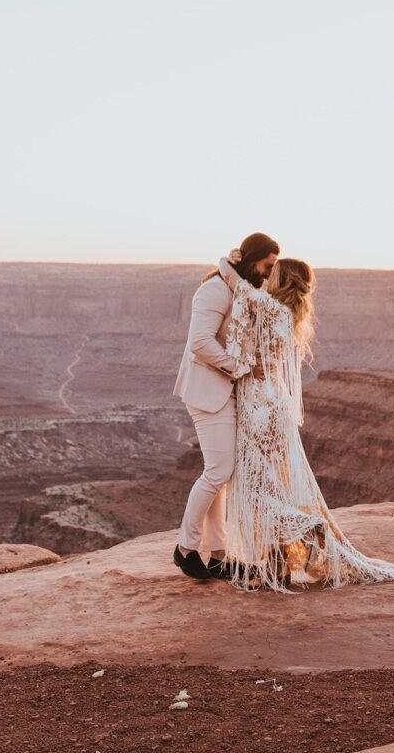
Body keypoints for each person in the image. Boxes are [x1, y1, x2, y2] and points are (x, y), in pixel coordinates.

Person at [213, 249, 394, 592]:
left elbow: (239, 289)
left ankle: (304, 526)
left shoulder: (271, 310)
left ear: (282, 281)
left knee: (254, 488)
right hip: (272, 404)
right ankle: (279, 563)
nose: (266, 276)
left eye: (273, 272)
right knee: (269, 485)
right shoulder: (286, 315)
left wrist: (227, 262)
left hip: (260, 406)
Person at [170, 232, 280, 580]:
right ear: (251, 260)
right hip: (206, 392)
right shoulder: (214, 290)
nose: (267, 274)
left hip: (223, 391)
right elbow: (200, 343)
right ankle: (185, 548)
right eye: (266, 266)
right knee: (218, 471)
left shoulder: (239, 288)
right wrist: (243, 368)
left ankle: (219, 555)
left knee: (225, 475)